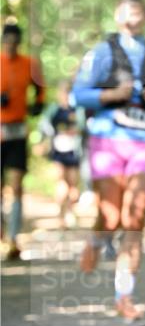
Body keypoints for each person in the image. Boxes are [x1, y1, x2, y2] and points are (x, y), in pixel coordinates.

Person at [72, 0, 145, 320]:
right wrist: (109, 94)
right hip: (107, 139)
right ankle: (96, 240)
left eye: (138, 12)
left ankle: (124, 295)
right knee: (112, 217)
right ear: (118, 16)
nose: (132, 18)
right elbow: (78, 94)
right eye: (126, 12)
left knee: (135, 219)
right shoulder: (102, 52)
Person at [0, 22, 45, 260]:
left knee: (16, 185)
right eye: (8, 42)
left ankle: (14, 238)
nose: (11, 47)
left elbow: (41, 87)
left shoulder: (29, 64)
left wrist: (38, 104)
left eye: (15, 43)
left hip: (17, 130)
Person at [37, 79, 85, 229]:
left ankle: (70, 212)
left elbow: (83, 127)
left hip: (74, 151)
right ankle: (61, 216)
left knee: (73, 186)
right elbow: (43, 125)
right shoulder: (54, 109)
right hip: (58, 151)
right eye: (63, 91)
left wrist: (76, 131)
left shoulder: (77, 109)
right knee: (62, 184)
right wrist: (42, 141)